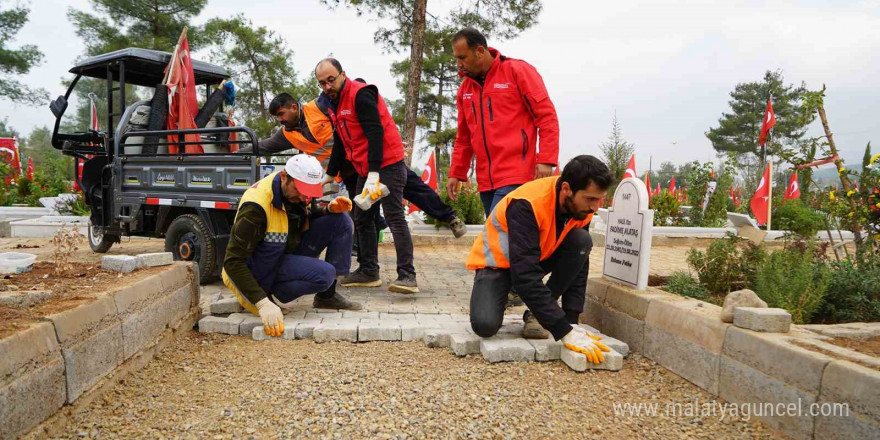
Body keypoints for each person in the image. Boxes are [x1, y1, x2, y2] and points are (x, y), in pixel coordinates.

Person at [241, 92, 467, 242]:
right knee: (362, 211)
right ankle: (367, 253)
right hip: (347, 172)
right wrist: (234, 152)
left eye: (281, 114)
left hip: (372, 159)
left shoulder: (319, 107)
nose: (280, 120)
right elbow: (261, 147)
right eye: (277, 117)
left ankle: (450, 217)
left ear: (293, 107)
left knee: (412, 186)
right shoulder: (287, 134)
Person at [467, 155, 613, 365]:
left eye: (600, 199)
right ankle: (507, 293)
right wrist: (564, 331)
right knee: (485, 325)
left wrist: (571, 320)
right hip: (496, 266)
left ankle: (539, 311)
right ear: (566, 189)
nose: (595, 207)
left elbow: (579, 264)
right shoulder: (527, 203)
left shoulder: (582, 209)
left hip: (532, 262)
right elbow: (525, 277)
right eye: (591, 199)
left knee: (582, 241)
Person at [221, 154, 361, 337]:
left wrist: (328, 210)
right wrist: (261, 302)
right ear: (285, 177)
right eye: (300, 190)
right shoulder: (255, 207)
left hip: (283, 250)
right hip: (261, 268)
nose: (305, 197)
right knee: (325, 274)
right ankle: (273, 292)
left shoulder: (298, 193)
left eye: (308, 192)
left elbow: (301, 217)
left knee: (341, 221)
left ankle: (327, 297)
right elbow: (232, 263)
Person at [315, 58, 418, 294]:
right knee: (361, 217)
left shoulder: (362, 95)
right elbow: (340, 141)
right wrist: (329, 175)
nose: (327, 86)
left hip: (388, 164)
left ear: (343, 74)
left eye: (331, 80)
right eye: (322, 83)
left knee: (394, 217)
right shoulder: (335, 104)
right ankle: (369, 270)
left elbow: (375, 132)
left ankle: (407, 275)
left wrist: (374, 173)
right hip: (364, 168)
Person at [446, 27, 560, 217]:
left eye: (463, 57)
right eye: (456, 58)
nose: (459, 64)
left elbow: (546, 116)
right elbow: (464, 137)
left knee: (496, 234)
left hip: (517, 174)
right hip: (485, 180)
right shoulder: (465, 89)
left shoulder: (518, 71)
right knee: (502, 237)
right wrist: (456, 172)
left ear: (480, 51)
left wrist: (546, 160)